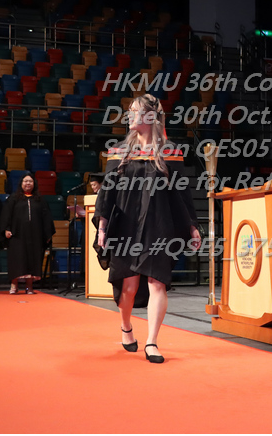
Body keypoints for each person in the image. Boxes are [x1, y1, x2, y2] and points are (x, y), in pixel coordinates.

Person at [97, 94, 200, 364]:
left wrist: (192, 226)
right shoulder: (119, 150)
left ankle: (152, 342)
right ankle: (126, 326)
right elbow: (107, 191)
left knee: (157, 282)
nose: (129, 115)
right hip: (126, 225)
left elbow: (182, 192)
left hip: (158, 224)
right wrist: (102, 226)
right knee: (129, 286)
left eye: (135, 111)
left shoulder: (170, 151)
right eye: (130, 111)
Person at [0, 172, 55, 295]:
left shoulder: (40, 200)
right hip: (17, 235)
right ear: (21, 183)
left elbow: (46, 217)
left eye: (30, 181)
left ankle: (29, 286)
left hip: (35, 235)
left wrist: (47, 234)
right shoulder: (14, 198)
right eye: (25, 181)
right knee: (16, 259)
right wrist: (7, 229)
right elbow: (6, 215)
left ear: (34, 184)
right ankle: (14, 285)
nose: (28, 183)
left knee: (32, 259)